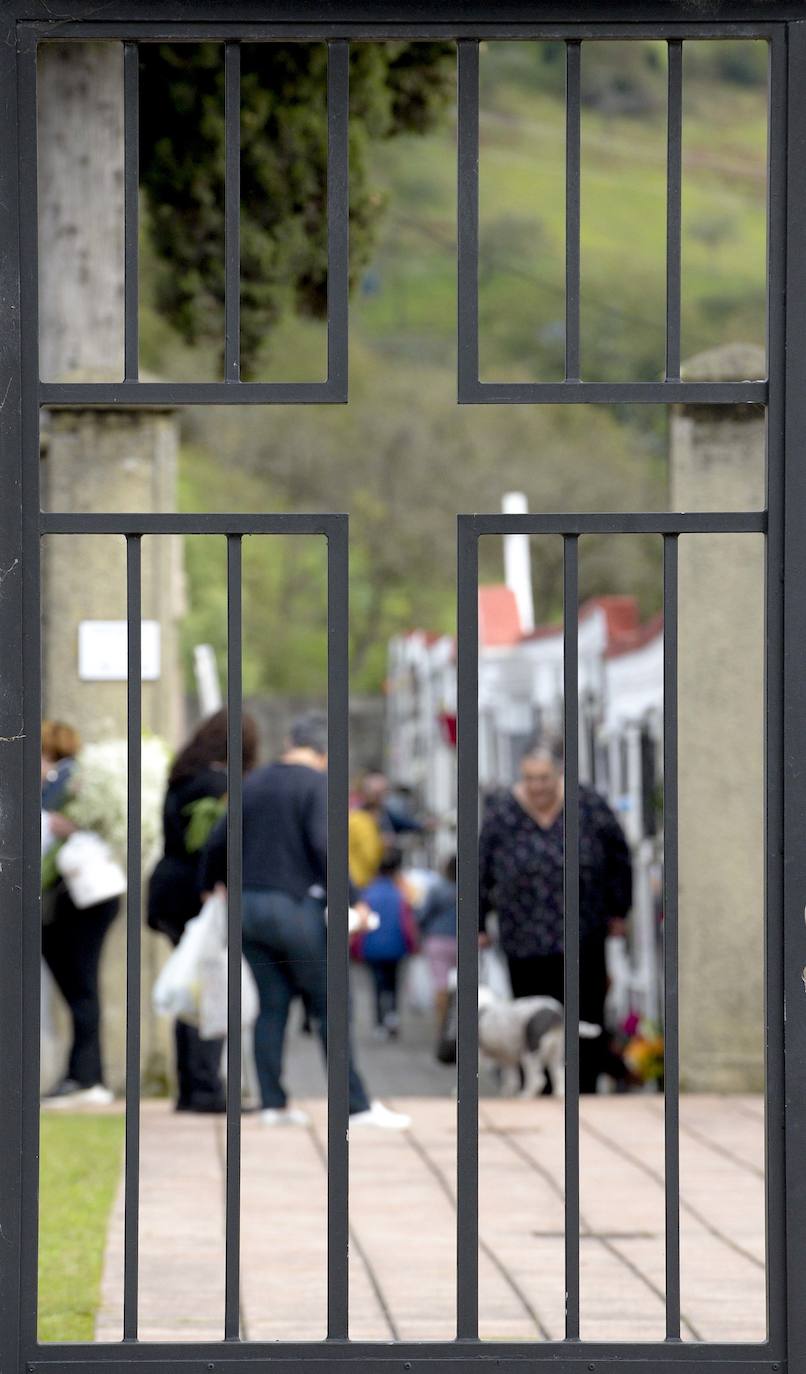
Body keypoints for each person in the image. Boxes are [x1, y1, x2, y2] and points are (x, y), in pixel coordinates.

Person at [200, 711, 410, 1129]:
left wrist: (211, 883)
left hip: (247, 909)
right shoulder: (316, 785)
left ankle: (273, 1104)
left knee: (271, 1005)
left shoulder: (252, 782)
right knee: (332, 1003)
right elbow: (324, 844)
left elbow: (217, 839)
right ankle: (355, 1106)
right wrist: (353, 899)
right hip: (294, 908)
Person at [478, 742, 632, 1093]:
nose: (537, 786)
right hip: (525, 937)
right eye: (530, 778)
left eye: (544, 778)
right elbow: (479, 869)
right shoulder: (502, 813)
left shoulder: (588, 805)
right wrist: (477, 922)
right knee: (533, 1017)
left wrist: (619, 910)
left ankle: (585, 1086)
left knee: (585, 1013)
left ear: (558, 775)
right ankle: (543, 1086)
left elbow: (619, 857)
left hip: (584, 930)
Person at [148, 708, 259, 1113]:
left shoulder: (183, 777)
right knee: (211, 988)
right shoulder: (220, 786)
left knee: (195, 988)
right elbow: (213, 845)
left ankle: (191, 1088)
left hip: (168, 888)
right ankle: (206, 1089)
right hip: (200, 894)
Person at [40, 720, 119, 1107]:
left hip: (80, 899)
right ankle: (82, 1075)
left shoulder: (64, 780)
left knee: (81, 987)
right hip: (78, 899)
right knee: (79, 989)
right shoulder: (71, 779)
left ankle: (87, 1078)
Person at [354, 850, 417, 1038]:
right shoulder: (400, 894)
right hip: (396, 947)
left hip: (372, 948)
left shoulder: (367, 893)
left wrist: (356, 949)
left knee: (377, 986)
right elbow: (407, 924)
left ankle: (379, 1023)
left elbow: (360, 922)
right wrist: (412, 945)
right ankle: (393, 1017)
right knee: (394, 984)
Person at [416, 855, 457, 1040]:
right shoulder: (472, 888)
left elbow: (423, 915)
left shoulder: (437, 889)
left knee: (440, 985)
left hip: (438, 940)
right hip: (464, 940)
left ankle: (443, 1026)